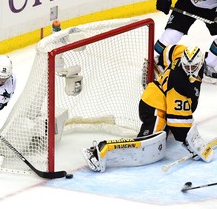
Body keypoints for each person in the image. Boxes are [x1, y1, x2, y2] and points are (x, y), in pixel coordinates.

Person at [82, 45, 214, 172]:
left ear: (201, 61)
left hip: (159, 99)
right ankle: (99, 151)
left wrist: (158, 60)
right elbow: (177, 121)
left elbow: (171, 50)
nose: (190, 70)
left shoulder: (182, 54)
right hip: (154, 105)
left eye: (193, 66)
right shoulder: (178, 84)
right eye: (187, 66)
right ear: (182, 63)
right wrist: (191, 143)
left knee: (164, 135)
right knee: (149, 144)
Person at [154, 0, 217, 78]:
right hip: (188, 1)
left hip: (213, 7)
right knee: (173, 34)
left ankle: (209, 63)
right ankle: (157, 61)